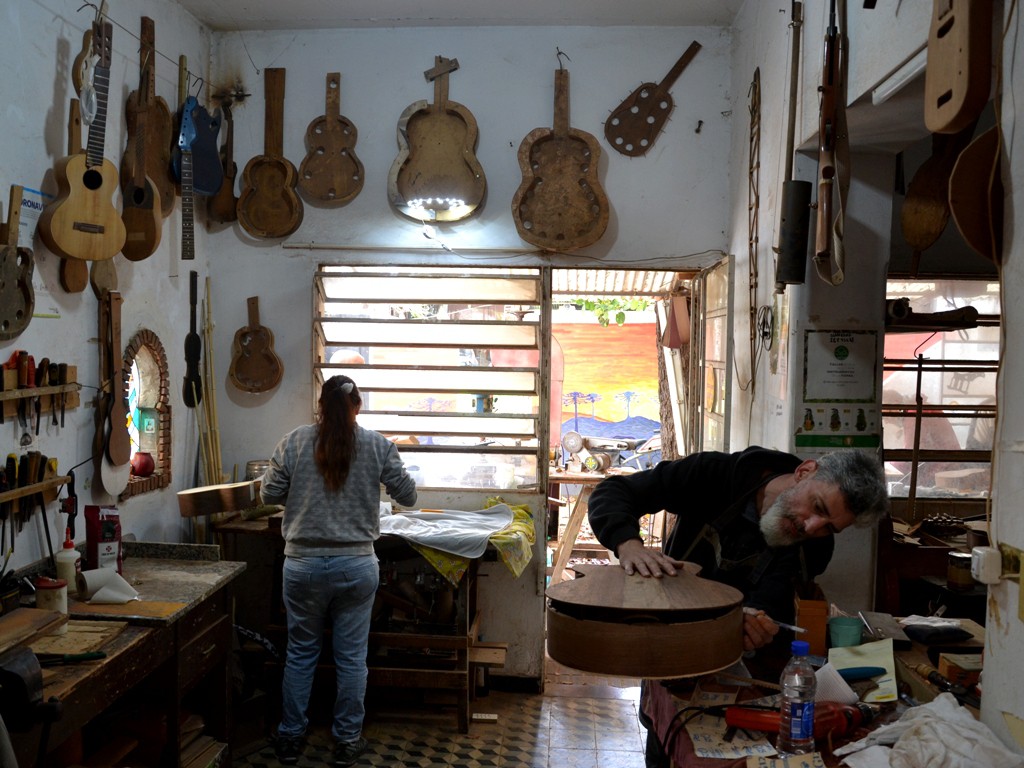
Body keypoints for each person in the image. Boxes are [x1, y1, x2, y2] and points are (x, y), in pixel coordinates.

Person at [586, 446, 889, 768]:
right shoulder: (714, 474)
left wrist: (760, 621)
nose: (812, 527)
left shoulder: (815, 545)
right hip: (672, 645)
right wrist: (627, 543)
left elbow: (775, 597)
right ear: (804, 472)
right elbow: (613, 491)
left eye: (829, 526)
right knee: (667, 739)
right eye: (817, 507)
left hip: (741, 666)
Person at [260, 375, 417, 767]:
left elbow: (268, 495)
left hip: (302, 565)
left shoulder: (294, 441)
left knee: (300, 654)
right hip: (356, 566)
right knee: (351, 658)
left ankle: (291, 738)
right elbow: (409, 497)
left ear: (320, 404)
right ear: (357, 407)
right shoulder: (378, 445)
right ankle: (347, 741)